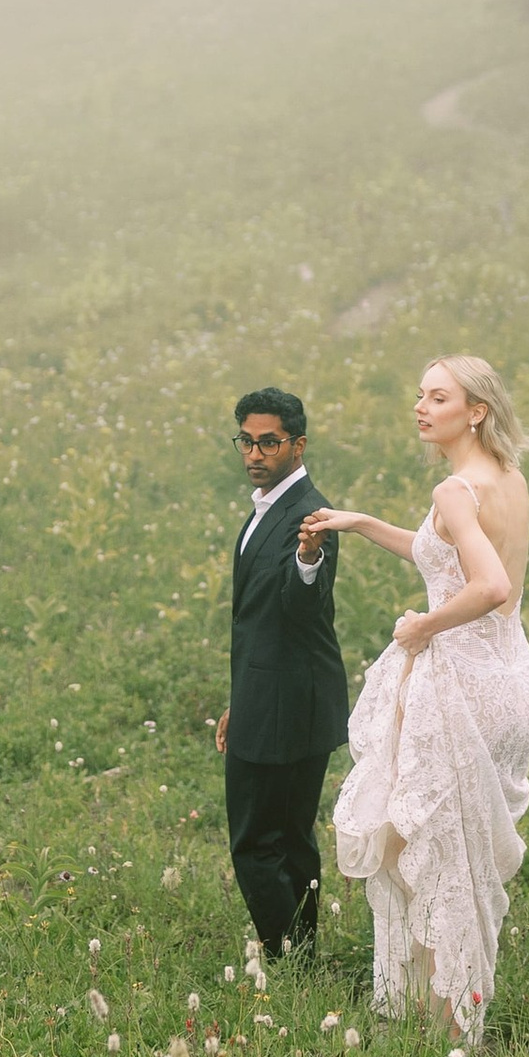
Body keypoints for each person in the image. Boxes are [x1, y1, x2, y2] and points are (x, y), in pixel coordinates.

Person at [299, 354, 529, 1036]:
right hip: (508, 675)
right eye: (420, 395)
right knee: (448, 844)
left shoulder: (455, 491)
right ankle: (451, 1004)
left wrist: (420, 626)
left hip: (459, 679)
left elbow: (486, 585)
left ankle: (446, 1022)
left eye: (438, 396)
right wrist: (364, 522)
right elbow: (447, 557)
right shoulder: (505, 479)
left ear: (476, 410)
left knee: (424, 848)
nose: (421, 406)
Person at [215, 387, 349, 967]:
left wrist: (309, 559)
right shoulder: (266, 508)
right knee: (293, 839)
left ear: (297, 444)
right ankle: (302, 955)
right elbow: (259, 626)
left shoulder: (310, 517)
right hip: (283, 698)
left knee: (256, 841)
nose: (254, 453)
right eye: (246, 440)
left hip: (284, 705)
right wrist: (236, 703)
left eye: (268, 442)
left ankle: (287, 959)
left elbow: (304, 607)